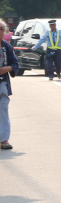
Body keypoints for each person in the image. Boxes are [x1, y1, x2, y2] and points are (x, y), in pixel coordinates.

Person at [0, 22, 18, 150]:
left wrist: (7, 68)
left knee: (3, 110)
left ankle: (4, 140)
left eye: (2, 29)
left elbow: (15, 64)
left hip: (2, 83)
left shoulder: (6, 46)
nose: (0, 31)